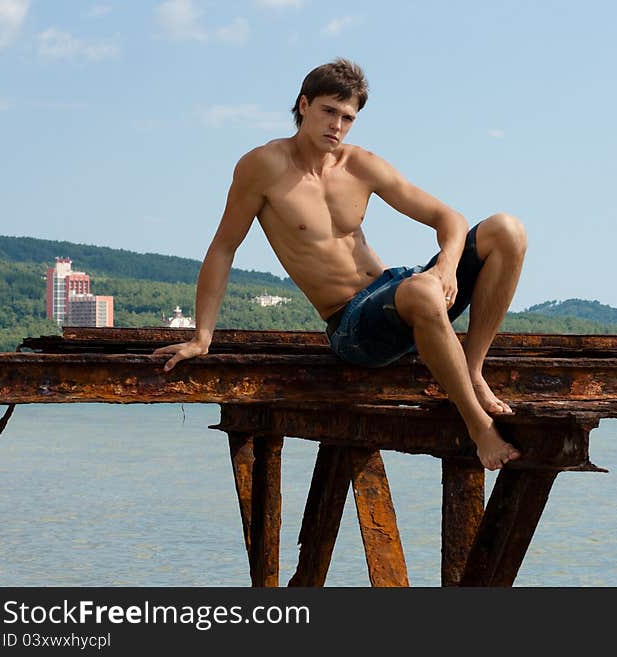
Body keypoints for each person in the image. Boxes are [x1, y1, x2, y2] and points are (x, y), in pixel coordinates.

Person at [153, 59, 526, 470]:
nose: (337, 125)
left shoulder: (358, 164)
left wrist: (447, 266)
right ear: (304, 105)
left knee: (506, 231)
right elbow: (224, 247)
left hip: (397, 290)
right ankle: (477, 425)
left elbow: (448, 219)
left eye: (348, 117)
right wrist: (202, 335)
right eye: (329, 111)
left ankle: (472, 370)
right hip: (353, 326)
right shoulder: (263, 167)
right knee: (421, 290)